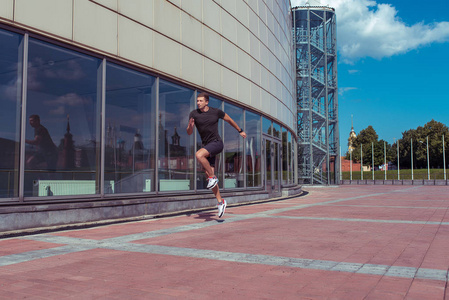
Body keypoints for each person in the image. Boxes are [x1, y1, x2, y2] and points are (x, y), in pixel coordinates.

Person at [187, 92, 246, 218]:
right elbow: (189, 132)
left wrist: (240, 130)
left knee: (199, 155)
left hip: (216, 143)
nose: (198, 103)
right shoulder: (194, 114)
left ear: (207, 102)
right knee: (208, 175)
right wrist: (190, 126)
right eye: (197, 101)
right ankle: (221, 202)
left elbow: (229, 119)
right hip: (207, 147)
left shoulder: (216, 112)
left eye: (201, 101)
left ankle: (213, 177)